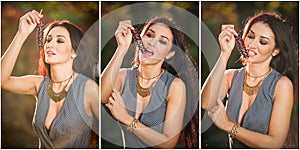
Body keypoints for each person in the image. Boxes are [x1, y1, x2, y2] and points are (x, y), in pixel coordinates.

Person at [1, 10, 99, 148]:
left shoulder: (88, 88)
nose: (50, 44)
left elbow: (109, 134)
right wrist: (21, 34)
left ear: (74, 52)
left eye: (59, 40)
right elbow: (2, 80)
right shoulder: (38, 84)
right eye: (48, 40)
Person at [201, 11, 298, 148]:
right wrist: (225, 53)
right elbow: (205, 103)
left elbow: (274, 144)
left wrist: (228, 126)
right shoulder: (230, 76)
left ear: (275, 50)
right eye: (250, 36)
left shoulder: (282, 85)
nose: (252, 44)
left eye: (263, 42)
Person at [101, 16, 199, 148]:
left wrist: (126, 118)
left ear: (170, 53)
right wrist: (122, 48)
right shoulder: (122, 76)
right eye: (149, 35)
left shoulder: (175, 86)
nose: (152, 42)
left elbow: (168, 144)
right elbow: (101, 95)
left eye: (162, 42)